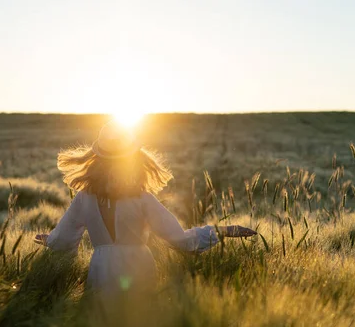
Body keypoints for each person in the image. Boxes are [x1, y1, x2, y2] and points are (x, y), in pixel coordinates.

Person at [34, 120, 256, 294]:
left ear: (97, 159)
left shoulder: (84, 198)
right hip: (138, 269)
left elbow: (63, 239)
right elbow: (182, 240)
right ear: (133, 159)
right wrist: (223, 231)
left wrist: (50, 241)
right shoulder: (142, 199)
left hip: (100, 270)